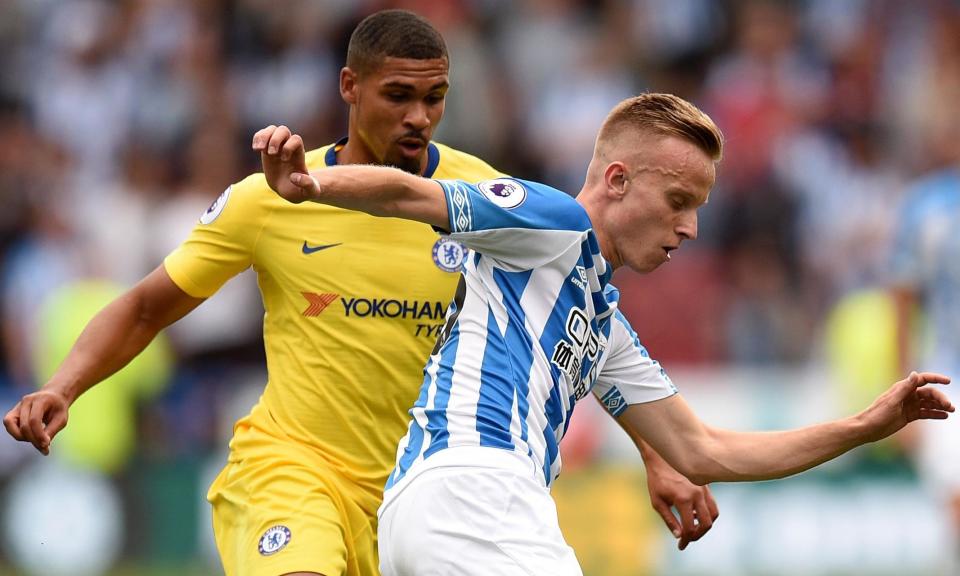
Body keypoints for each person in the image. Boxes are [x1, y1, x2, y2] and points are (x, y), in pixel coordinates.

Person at [3, 10, 713, 576]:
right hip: (295, 466)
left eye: (434, 98)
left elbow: (569, 321)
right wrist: (63, 385)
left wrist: (657, 457)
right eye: (397, 96)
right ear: (348, 88)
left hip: (416, 496)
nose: (418, 117)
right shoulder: (271, 199)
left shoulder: (474, 198)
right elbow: (146, 305)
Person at [258, 93, 954, 576]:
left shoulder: (600, 324)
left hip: (433, 510)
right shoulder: (552, 221)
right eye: (678, 202)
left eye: (699, 208)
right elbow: (416, 195)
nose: (690, 229)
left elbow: (704, 449)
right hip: (476, 490)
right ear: (616, 180)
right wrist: (308, 185)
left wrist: (867, 425)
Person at [889, 115, 960, 570]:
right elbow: (903, 301)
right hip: (949, 368)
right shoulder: (926, 204)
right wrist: (904, 388)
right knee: (954, 496)